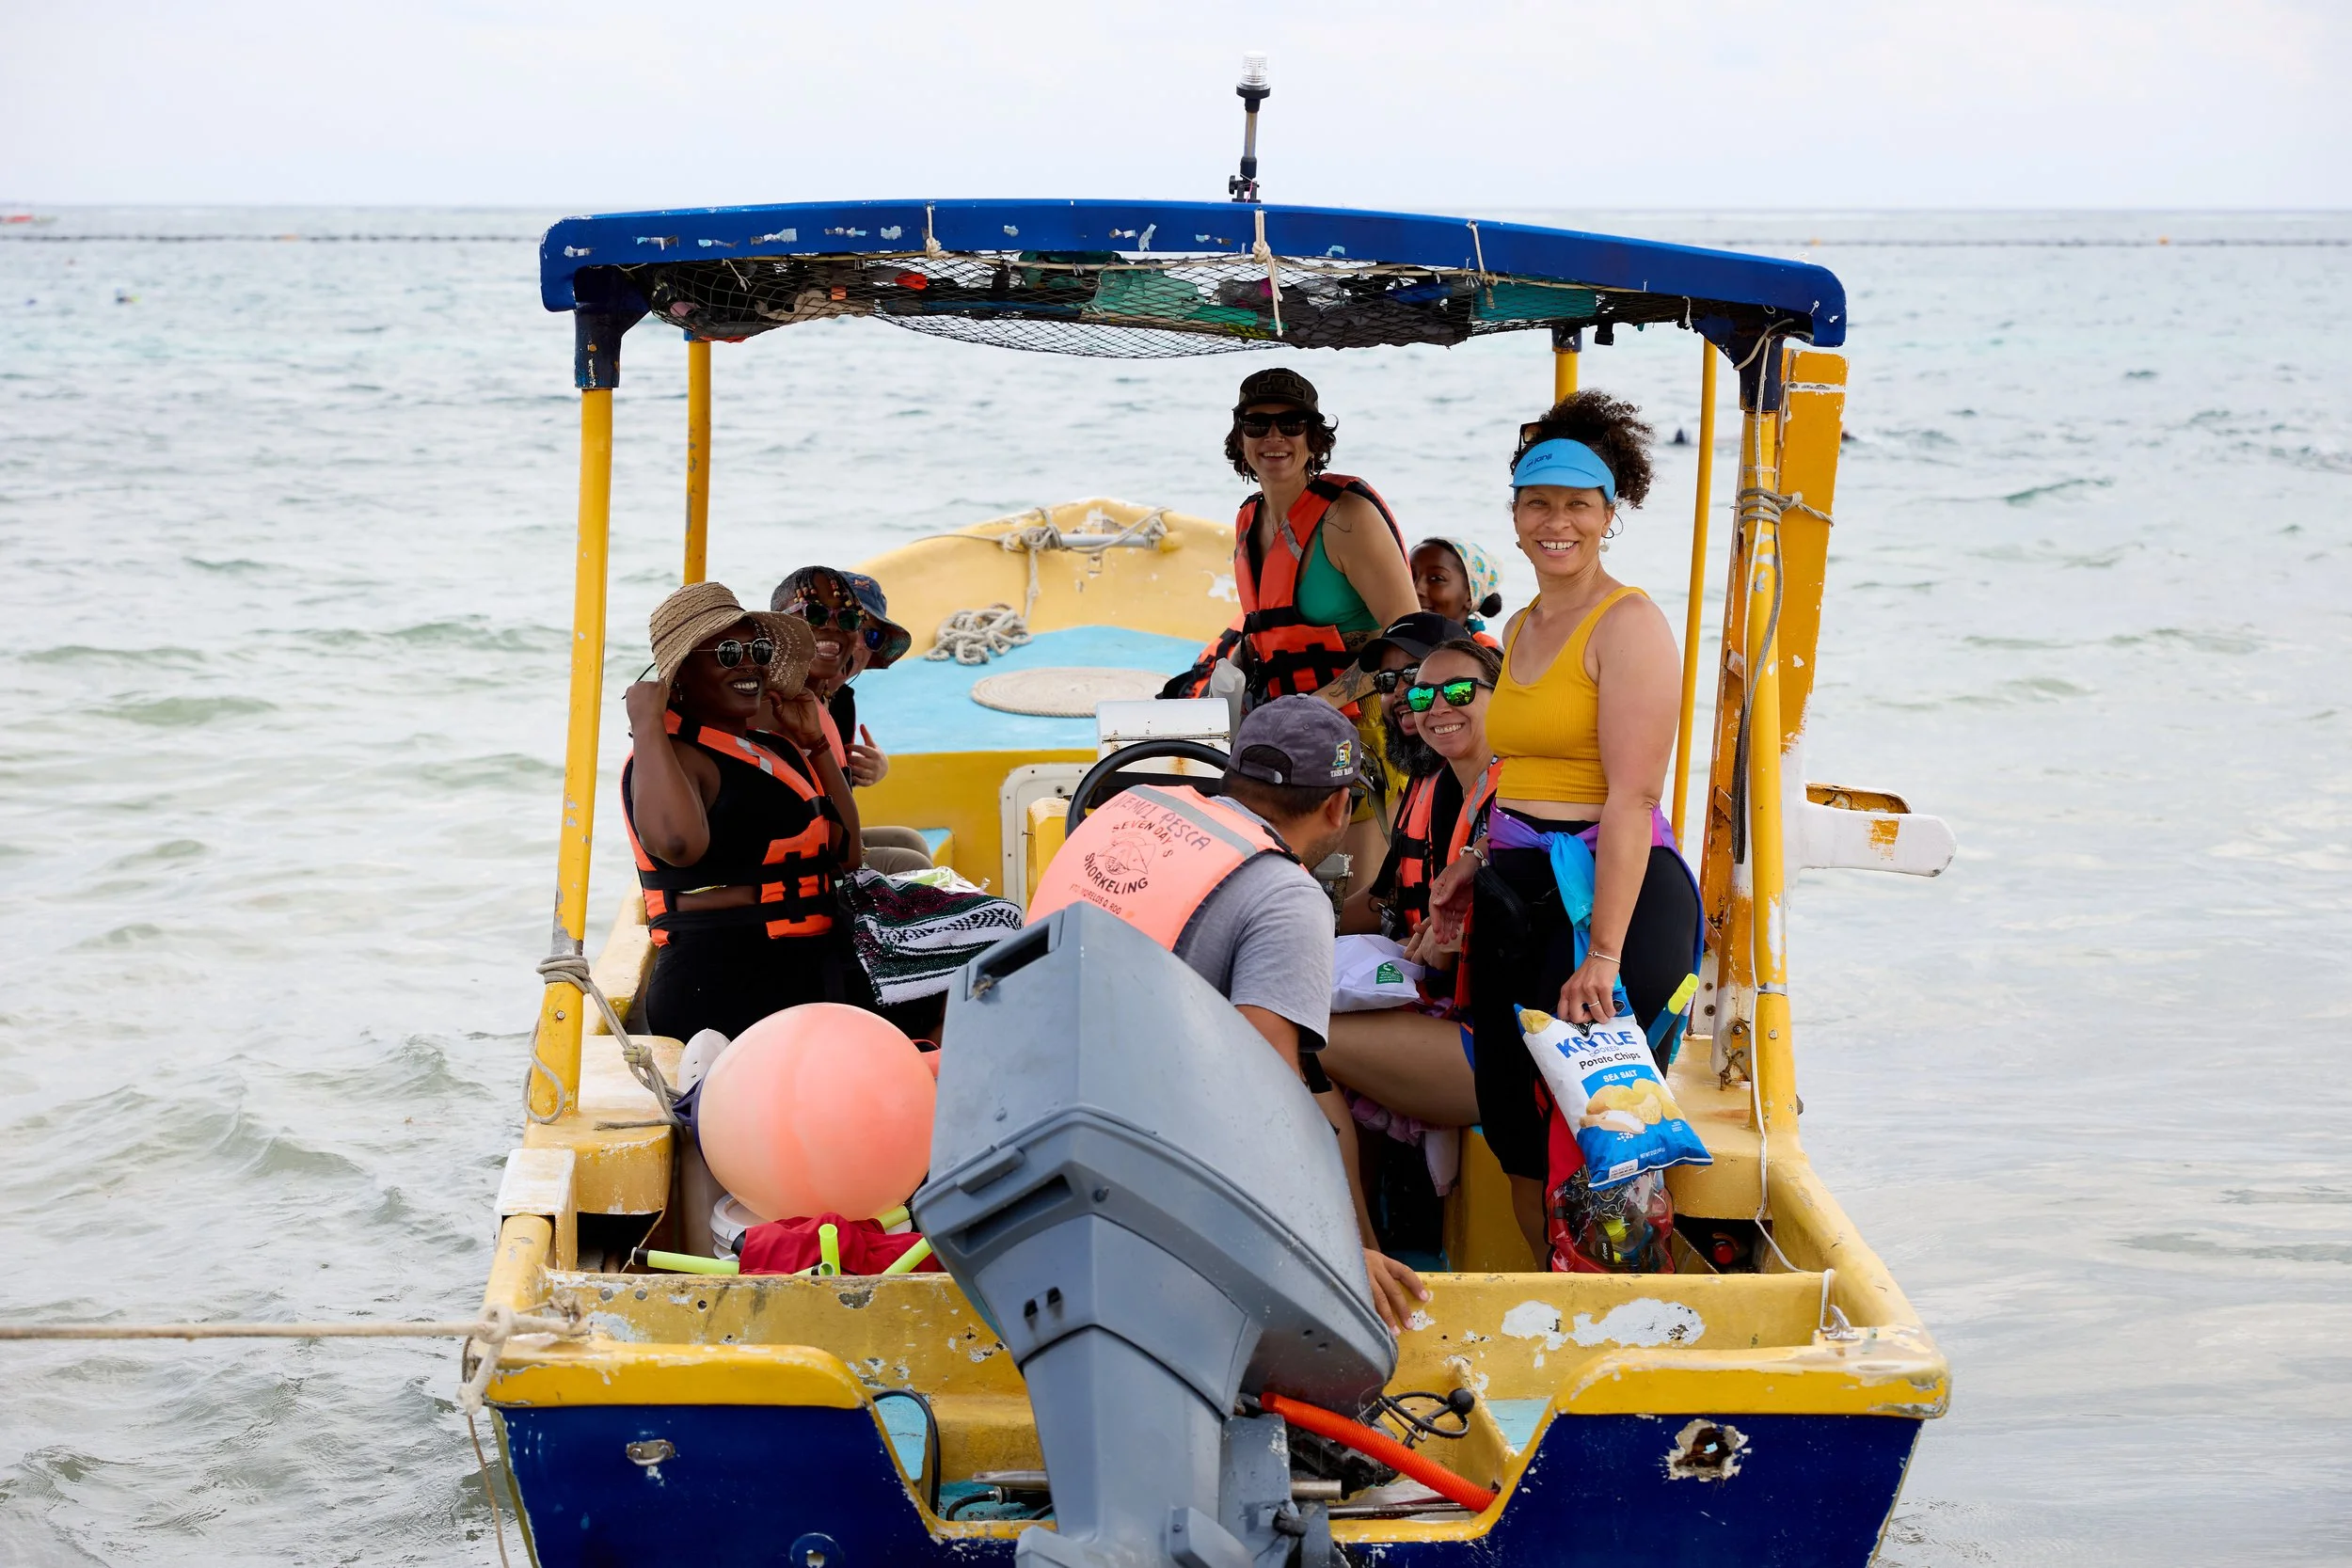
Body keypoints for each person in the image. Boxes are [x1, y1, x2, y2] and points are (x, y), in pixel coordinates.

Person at [1026, 696, 1431, 1331]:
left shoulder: (1126, 813)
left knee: (1324, 1104)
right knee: (1314, 1110)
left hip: (1036, 1093)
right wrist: (1334, 1251)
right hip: (1132, 1152)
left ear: (1230, 777)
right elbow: (1263, 1094)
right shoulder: (1287, 894)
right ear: (1337, 806)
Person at [1424, 392, 1703, 1266]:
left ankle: (1624, 1312)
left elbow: (1628, 798)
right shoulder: (1520, 625)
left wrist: (1605, 957)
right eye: (1538, 503)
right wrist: (1473, 859)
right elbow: (1518, 773)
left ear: (1608, 516)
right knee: (1509, 1113)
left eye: (1578, 505)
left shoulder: (1629, 625)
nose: (1557, 522)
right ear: (1514, 515)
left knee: (1600, 1134)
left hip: (1612, 897)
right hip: (1518, 889)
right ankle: (1559, 1290)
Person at [621, 581, 879, 1042]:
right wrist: (646, 726)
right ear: (680, 676)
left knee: (980, 947)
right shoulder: (671, 756)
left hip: (813, 960)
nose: (748, 663)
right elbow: (677, 845)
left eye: (756, 650)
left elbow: (847, 854)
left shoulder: (776, 746)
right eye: (725, 654)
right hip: (724, 977)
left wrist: (816, 745)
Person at [1224, 367, 1420, 893]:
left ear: (1315, 438)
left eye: (1291, 425)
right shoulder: (1248, 520)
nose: (1274, 438)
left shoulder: (1346, 518)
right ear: (1238, 437)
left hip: (1360, 740)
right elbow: (1269, 631)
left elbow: (1413, 635)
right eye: (1257, 425)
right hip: (1280, 738)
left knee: (1350, 904)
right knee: (1283, 891)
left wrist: (1324, 703)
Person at [1322, 639, 1501, 1141]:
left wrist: (1448, 942)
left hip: (1507, 1046)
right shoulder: (1452, 794)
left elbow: (1461, 948)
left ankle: (1352, 1217)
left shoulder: (1517, 805)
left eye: (1460, 691)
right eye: (1421, 696)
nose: (1434, 706)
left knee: (1290, 1032)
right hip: (1459, 1012)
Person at [771, 565, 931, 875]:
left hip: (825, 835)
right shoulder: (782, 701)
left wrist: (869, 769)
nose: (854, 641)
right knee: (911, 863)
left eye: (862, 630)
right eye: (817, 617)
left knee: (909, 841)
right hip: (798, 851)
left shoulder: (839, 702)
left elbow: (832, 783)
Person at [1409, 537, 1507, 649]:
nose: (1416, 589)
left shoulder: (1489, 661)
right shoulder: (1388, 645)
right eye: (1410, 576)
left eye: (1437, 578)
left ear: (1470, 596)